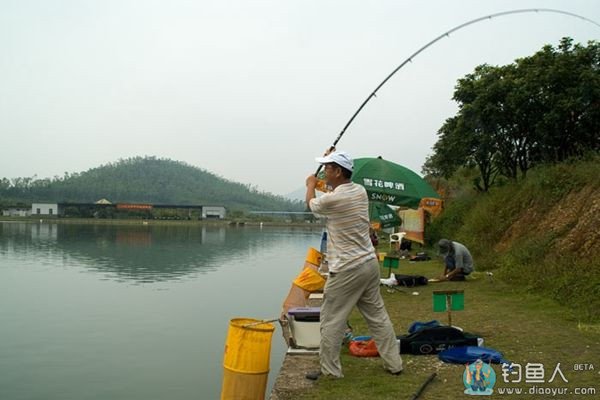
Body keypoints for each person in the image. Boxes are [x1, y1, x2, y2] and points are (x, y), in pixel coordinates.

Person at [304, 148, 403, 380]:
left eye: (328, 167)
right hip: (368, 264)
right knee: (377, 316)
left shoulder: (334, 198)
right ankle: (394, 363)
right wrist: (328, 164)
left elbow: (313, 205)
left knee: (331, 319)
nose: (325, 171)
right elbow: (332, 191)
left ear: (338, 171)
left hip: (347, 268)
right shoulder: (359, 191)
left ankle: (330, 370)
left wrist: (310, 183)